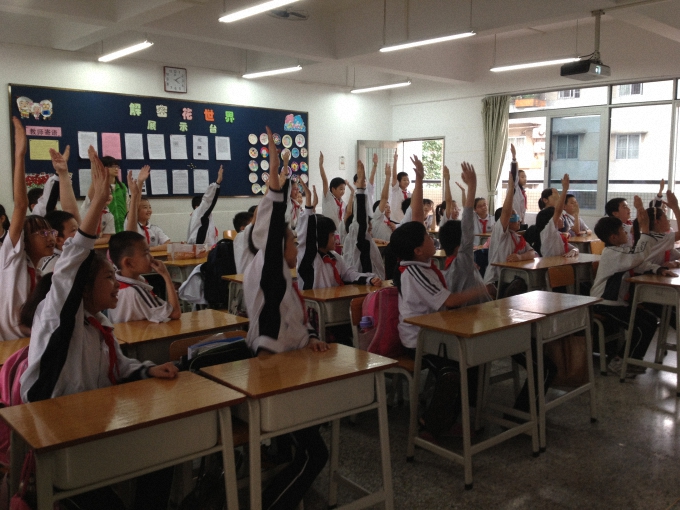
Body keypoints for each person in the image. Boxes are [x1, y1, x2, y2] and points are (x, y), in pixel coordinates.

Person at [19, 145, 178, 510]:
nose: (116, 283)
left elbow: (117, 365)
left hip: (93, 424)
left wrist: (147, 369)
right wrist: (96, 200)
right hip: (56, 436)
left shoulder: (99, 323)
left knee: (163, 453)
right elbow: (72, 265)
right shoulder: (58, 320)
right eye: (109, 277)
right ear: (83, 288)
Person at [243, 126, 329, 510]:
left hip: (290, 365)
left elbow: (296, 319)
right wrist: (275, 176)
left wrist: (312, 338)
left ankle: (282, 478)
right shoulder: (268, 269)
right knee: (315, 453)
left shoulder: (285, 279)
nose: (296, 243)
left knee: (305, 445)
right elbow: (272, 225)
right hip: (272, 370)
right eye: (292, 239)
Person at [591, 195, 676, 377]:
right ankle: (620, 361)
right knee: (640, 326)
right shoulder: (611, 254)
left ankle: (632, 360)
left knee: (650, 321)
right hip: (604, 304)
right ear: (614, 237)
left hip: (618, 304)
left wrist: (659, 269)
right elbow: (638, 257)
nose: (627, 233)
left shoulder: (620, 250)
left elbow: (640, 263)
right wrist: (644, 230)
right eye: (623, 231)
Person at [297, 170, 381, 290]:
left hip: (334, 299)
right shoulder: (310, 258)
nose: (335, 239)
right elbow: (305, 237)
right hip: (315, 302)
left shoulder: (335, 257)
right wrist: (309, 207)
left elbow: (349, 273)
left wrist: (369, 279)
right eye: (332, 235)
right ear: (321, 235)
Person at [439, 162, 491, 303]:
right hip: (479, 313)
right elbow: (467, 225)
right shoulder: (462, 261)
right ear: (460, 246)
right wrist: (472, 186)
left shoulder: (445, 272)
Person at [483, 170, 536, 290]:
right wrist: (511, 189)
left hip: (513, 276)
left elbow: (532, 252)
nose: (518, 220)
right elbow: (506, 212)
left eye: (518, 217)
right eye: (514, 217)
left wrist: (520, 257)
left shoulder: (517, 237)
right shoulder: (500, 233)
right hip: (496, 279)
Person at [342, 160, 386, 279]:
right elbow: (360, 222)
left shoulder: (365, 239)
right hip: (363, 280)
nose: (369, 228)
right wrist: (360, 189)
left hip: (371, 280)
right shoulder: (355, 236)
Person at [127, 166, 170, 252]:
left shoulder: (154, 228)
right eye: (145, 207)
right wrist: (140, 183)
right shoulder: (131, 223)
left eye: (150, 207)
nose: (149, 210)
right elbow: (134, 205)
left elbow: (168, 244)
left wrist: (148, 250)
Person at [534, 174, 578, 258]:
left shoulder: (557, 234)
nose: (562, 219)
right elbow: (558, 211)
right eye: (555, 197)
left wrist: (574, 250)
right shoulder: (548, 232)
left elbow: (574, 248)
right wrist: (564, 189)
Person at [187, 165, 223, 246]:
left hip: (202, 247)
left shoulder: (198, 215)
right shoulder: (199, 211)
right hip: (201, 248)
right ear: (197, 206)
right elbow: (207, 200)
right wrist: (217, 183)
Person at [319, 151, 347, 248]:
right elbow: (324, 181)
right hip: (328, 231)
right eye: (340, 189)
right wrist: (321, 165)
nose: (343, 191)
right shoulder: (328, 197)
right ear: (333, 189)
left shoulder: (343, 203)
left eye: (344, 189)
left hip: (339, 232)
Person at [371, 163, 397, 242]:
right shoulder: (377, 217)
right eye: (385, 207)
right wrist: (388, 177)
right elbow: (384, 198)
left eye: (389, 207)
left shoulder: (389, 222)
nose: (388, 209)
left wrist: (394, 229)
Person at [102, 156, 128, 233]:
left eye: (117, 166)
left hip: (123, 226)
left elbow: (127, 205)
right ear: (104, 168)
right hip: (107, 228)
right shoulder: (100, 187)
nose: (116, 169)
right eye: (112, 166)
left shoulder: (122, 186)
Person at [389, 150, 409, 223]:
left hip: (405, 221)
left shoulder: (409, 193)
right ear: (399, 181)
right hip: (395, 220)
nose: (407, 182)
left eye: (408, 180)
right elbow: (394, 176)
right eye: (404, 180)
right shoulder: (396, 190)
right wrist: (395, 161)